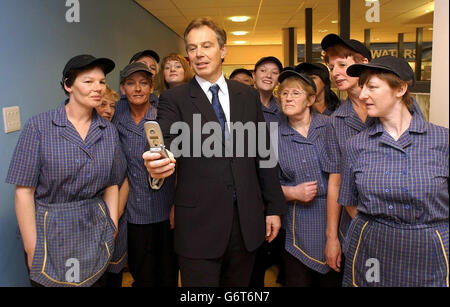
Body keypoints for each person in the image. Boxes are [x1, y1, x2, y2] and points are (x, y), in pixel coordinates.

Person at [143, 17, 286, 287]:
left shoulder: (247, 95)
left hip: (246, 222)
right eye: (192, 48)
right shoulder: (175, 99)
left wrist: (274, 208)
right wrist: (157, 160)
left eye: (206, 46)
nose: (199, 54)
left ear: (223, 50)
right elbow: (167, 143)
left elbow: (264, 154)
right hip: (199, 225)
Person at [5, 55, 122, 287]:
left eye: (101, 81)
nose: (98, 88)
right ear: (68, 85)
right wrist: (33, 248)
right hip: (51, 235)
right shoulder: (39, 127)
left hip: (95, 233)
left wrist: (112, 228)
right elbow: (23, 193)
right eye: (88, 81)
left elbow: (112, 184)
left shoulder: (108, 131)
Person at [339, 56, 448, 287]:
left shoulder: (442, 140)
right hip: (372, 249)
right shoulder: (356, 145)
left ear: (400, 88)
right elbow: (349, 201)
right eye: (362, 87)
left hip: (428, 250)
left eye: (372, 87)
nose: (362, 95)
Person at [112, 62, 178, 287]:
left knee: (167, 273)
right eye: (131, 83)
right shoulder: (115, 114)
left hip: (164, 207)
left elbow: (181, 163)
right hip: (133, 212)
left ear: (152, 87)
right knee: (142, 274)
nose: (137, 89)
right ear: (123, 88)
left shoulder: (164, 114)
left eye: (143, 83)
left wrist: (176, 205)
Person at [275, 67, 342, 287]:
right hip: (296, 222)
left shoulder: (330, 126)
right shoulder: (271, 134)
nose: (288, 98)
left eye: (295, 93)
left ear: (310, 99)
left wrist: (333, 238)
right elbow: (262, 184)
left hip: (334, 218)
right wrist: (291, 192)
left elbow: (340, 177)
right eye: (284, 93)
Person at [95, 86, 129, 288]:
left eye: (112, 106)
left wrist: (116, 213)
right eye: (103, 104)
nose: (108, 110)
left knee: (112, 271)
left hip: (114, 213)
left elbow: (122, 177)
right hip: (91, 217)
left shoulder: (112, 134)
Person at [253, 56, 283, 123]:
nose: (269, 75)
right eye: (263, 70)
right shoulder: (242, 104)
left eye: (274, 72)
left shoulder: (283, 107)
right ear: (254, 75)